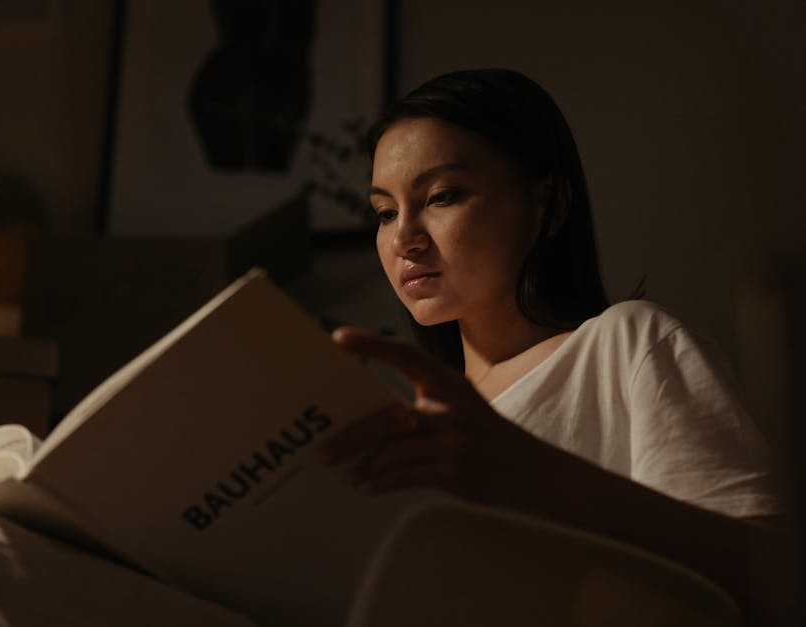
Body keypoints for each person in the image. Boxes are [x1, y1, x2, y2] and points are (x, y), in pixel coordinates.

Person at [320, 68, 790, 624]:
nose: (403, 238)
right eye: (385, 212)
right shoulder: (419, 432)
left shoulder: (625, 344)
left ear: (549, 203)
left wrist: (527, 471)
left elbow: (777, 578)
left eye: (442, 196)